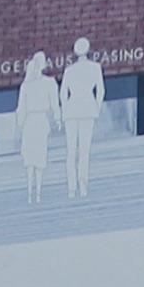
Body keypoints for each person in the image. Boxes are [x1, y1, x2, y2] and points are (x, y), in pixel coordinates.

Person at [58, 39, 106, 197]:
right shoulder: (95, 68)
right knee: (84, 151)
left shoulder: (69, 70)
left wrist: (65, 109)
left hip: (72, 111)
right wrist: (96, 108)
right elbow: (100, 91)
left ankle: (71, 188)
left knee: (71, 151)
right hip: (87, 110)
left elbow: (63, 93)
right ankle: (83, 185)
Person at [16, 50, 57, 200]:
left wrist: (20, 124)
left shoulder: (26, 85)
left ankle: (31, 191)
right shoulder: (48, 83)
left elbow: (21, 109)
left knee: (32, 159)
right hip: (39, 122)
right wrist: (57, 120)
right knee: (38, 157)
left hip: (31, 122)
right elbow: (54, 105)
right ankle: (37, 192)